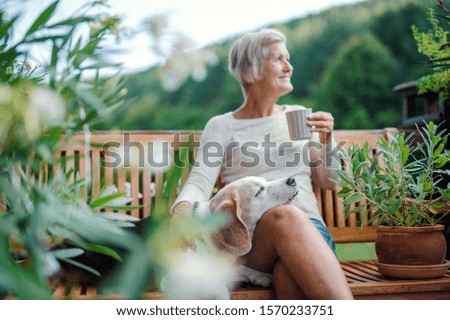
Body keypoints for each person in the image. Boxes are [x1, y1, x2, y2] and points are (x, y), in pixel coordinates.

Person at [171, 28, 353, 300]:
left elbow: (331, 181)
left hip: (310, 235)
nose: (289, 66)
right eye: (279, 59)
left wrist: (327, 140)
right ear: (251, 69)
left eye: (288, 58)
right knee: (284, 214)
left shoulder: (298, 117)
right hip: (249, 242)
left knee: (288, 277)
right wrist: (182, 210)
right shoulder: (222, 126)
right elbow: (200, 181)